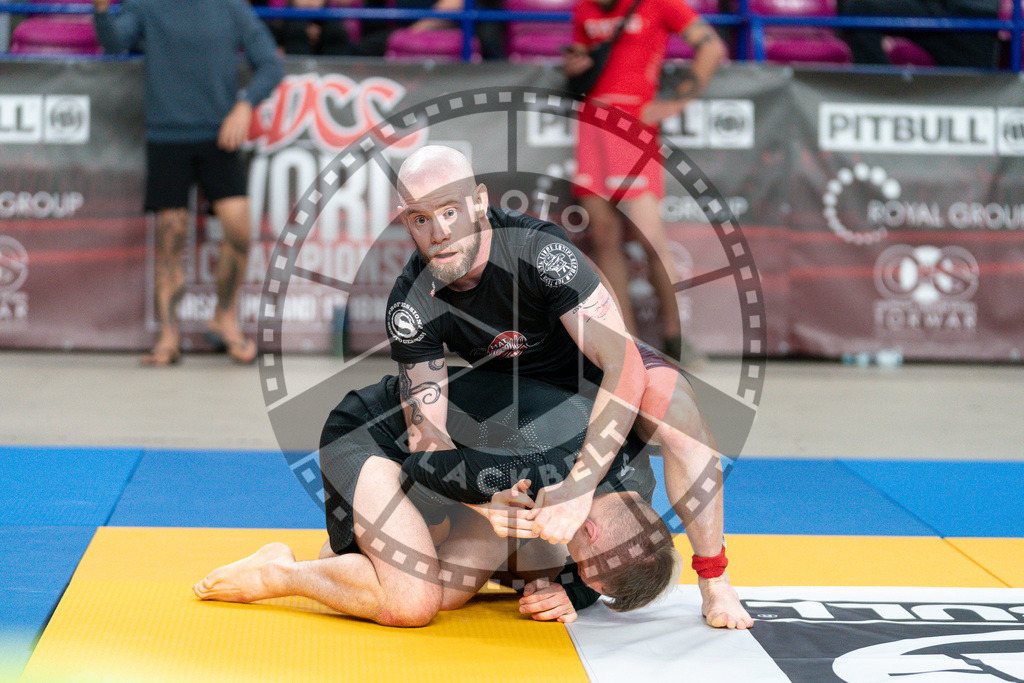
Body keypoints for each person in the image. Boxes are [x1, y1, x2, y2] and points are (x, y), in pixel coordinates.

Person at [196, 145, 751, 629]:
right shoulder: (412, 305)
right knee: (447, 573)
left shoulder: (540, 255)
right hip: (508, 402)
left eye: (449, 211)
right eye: (419, 218)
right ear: (405, 221)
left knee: (669, 402)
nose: (438, 233)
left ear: (480, 203)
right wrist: (485, 502)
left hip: (578, 378)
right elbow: (431, 443)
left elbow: (622, 362)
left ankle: (715, 578)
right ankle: (364, 553)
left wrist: (579, 488)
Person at [195, 368, 681, 624]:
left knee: (458, 588)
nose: (582, 578)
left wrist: (571, 590)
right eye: (588, 570)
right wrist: (483, 506)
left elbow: (602, 559)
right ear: (591, 527)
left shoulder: (635, 482)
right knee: (411, 604)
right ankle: (280, 572)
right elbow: (422, 466)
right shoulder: (535, 460)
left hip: (475, 469)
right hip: (380, 438)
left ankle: (366, 556)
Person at [93, 0, 285, 366]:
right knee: (170, 234)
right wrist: (101, 10)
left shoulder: (231, 6)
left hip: (221, 136)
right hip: (167, 137)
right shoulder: (147, 5)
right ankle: (168, 335)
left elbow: (271, 65)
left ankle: (224, 317)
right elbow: (114, 43)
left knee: (239, 232)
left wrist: (245, 105)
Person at [563, 0, 727, 366]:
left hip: (633, 126)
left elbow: (712, 46)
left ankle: (676, 339)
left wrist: (676, 103)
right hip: (590, 124)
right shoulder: (583, 9)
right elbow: (582, 61)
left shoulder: (659, 2)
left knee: (651, 239)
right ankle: (627, 343)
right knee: (604, 237)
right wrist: (575, 64)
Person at [838, 0, 1000, 68]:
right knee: (859, 8)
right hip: (935, 7)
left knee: (974, 88)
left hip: (974, 16)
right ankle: (878, 93)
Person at [273, 0, 354, 56]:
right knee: (297, 32)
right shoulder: (285, 25)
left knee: (335, 32)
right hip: (295, 74)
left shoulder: (335, 27)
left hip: (332, 75)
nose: (310, 1)